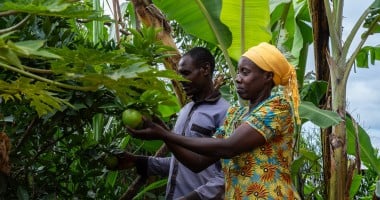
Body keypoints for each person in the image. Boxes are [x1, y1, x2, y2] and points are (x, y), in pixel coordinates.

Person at [127, 42, 302, 199]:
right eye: (239, 71)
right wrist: (163, 134)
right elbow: (197, 162)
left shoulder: (278, 108)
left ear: (267, 77)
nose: (238, 78)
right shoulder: (235, 114)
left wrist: (163, 133)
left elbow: (228, 148)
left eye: (245, 72)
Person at [115, 47, 229, 200]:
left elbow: (226, 174)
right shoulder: (185, 110)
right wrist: (138, 161)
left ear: (205, 69)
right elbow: (180, 164)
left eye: (186, 73)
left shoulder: (226, 113)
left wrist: (163, 134)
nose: (180, 81)